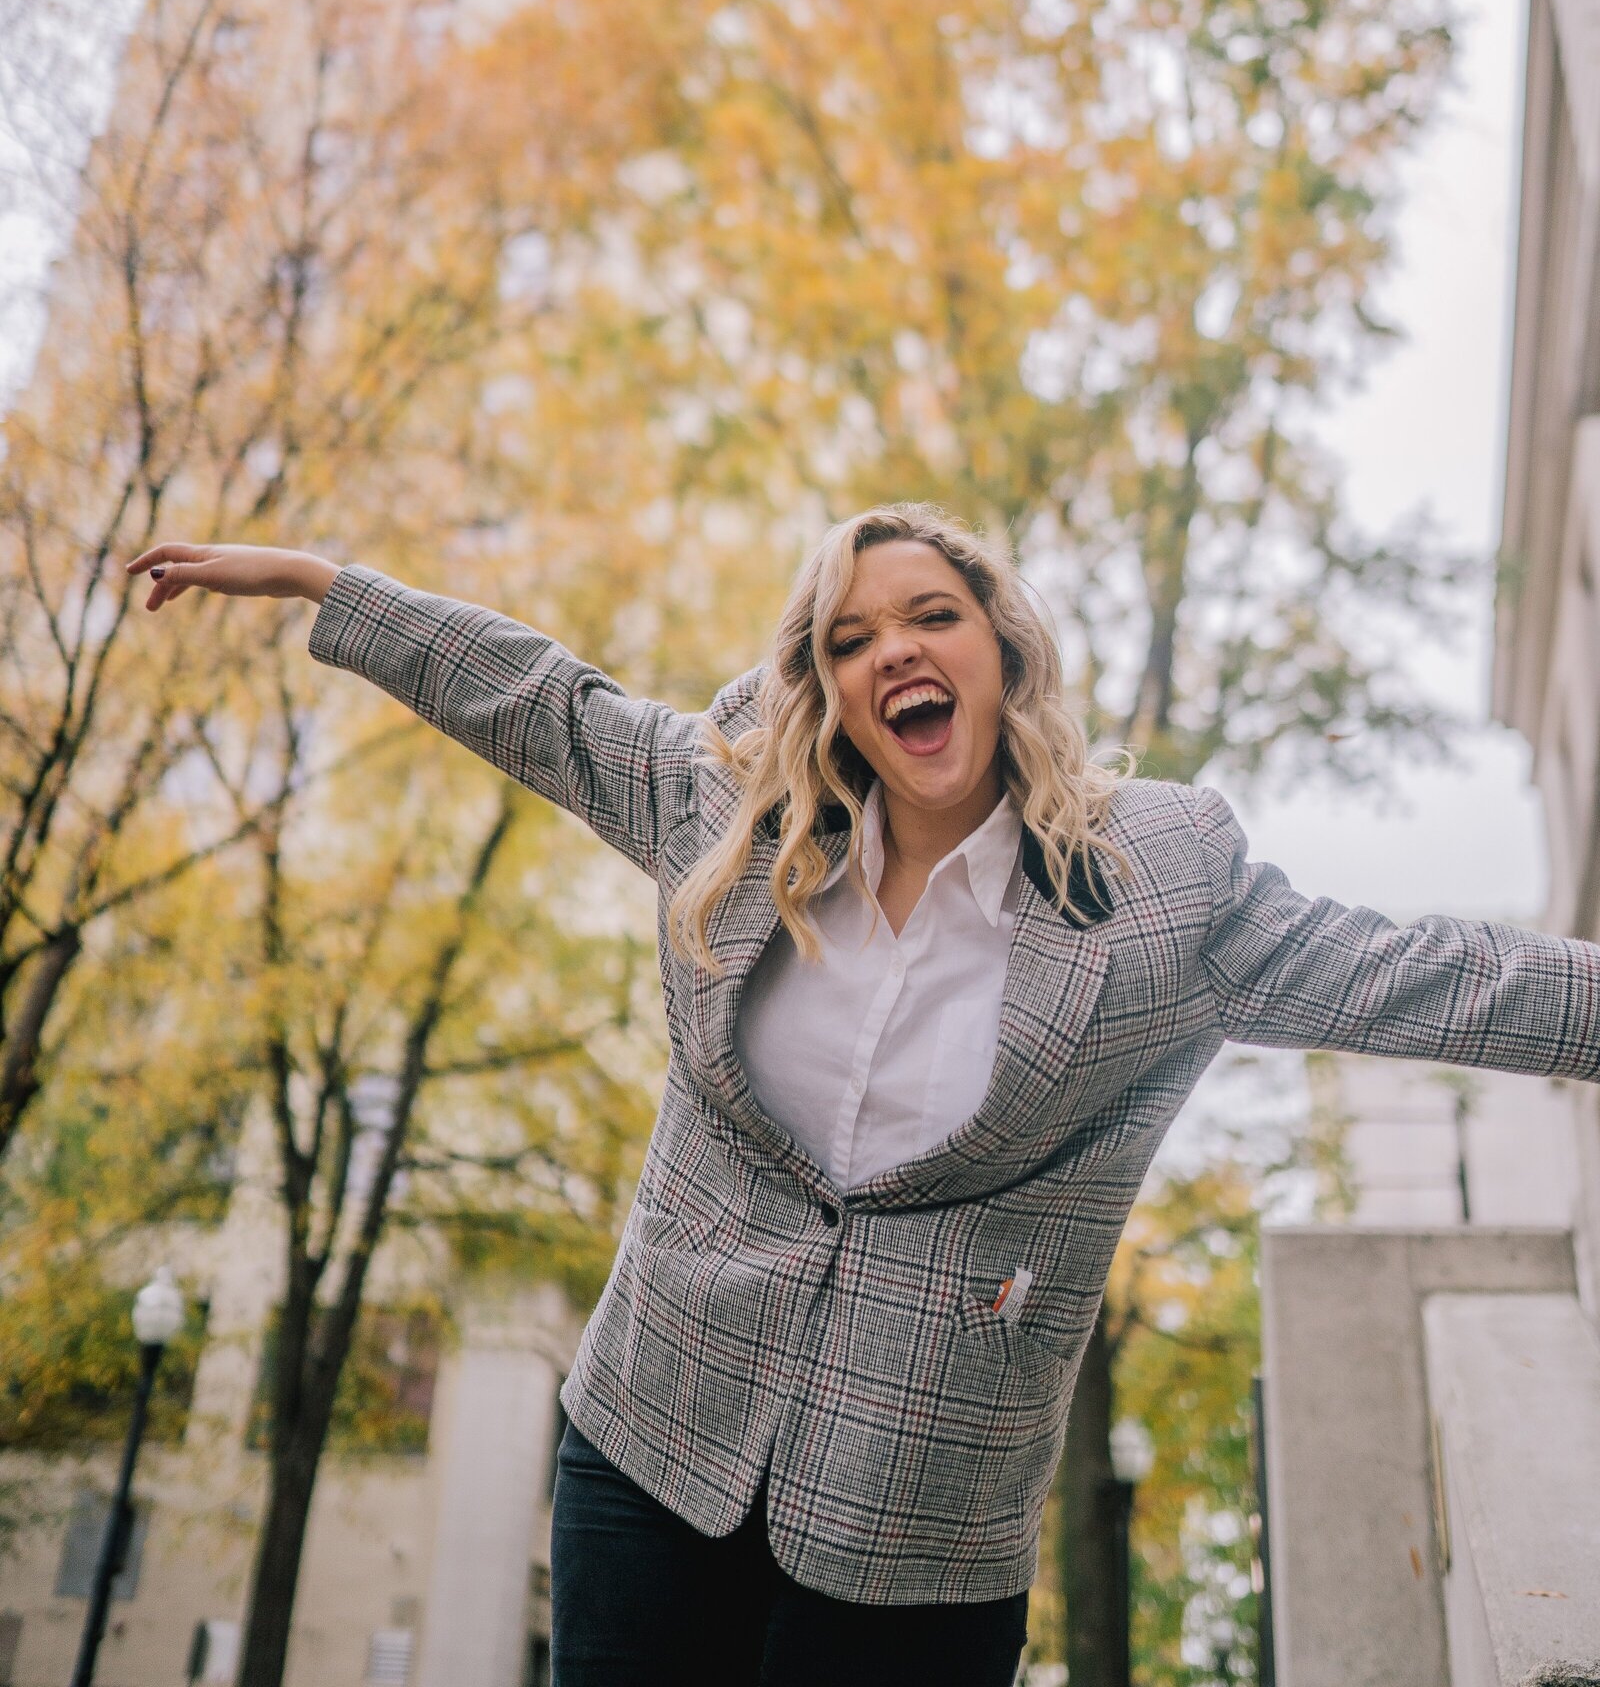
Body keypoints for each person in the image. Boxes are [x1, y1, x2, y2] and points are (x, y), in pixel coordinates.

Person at [128, 504, 1600, 1687]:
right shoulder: (732, 809)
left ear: (1002, 653)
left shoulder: (1153, 897)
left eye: (931, 616)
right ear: (822, 684)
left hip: (924, 1533)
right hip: (654, 1446)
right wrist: (327, 583)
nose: (894, 649)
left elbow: (1421, 975)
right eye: (850, 636)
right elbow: (543, 701)